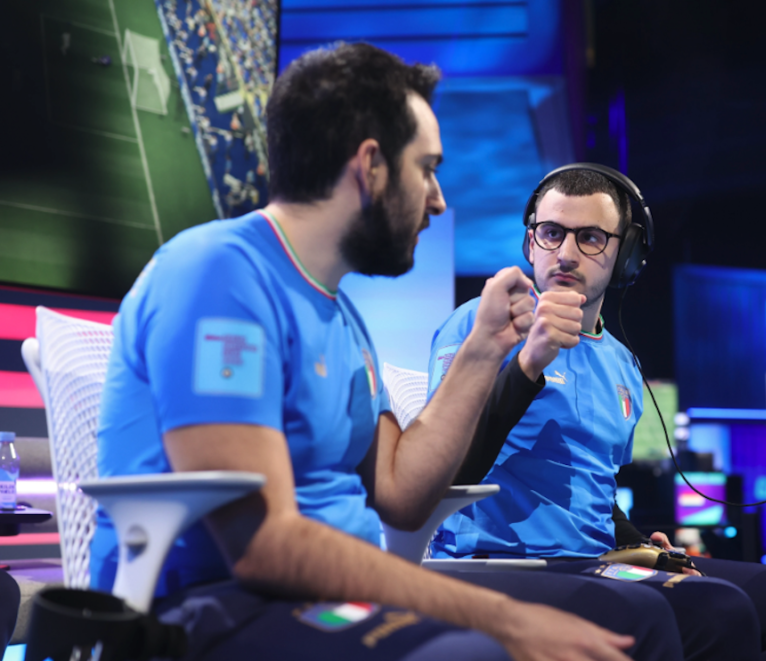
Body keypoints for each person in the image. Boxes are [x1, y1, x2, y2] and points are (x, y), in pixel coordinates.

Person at [91, 43, 683, 661]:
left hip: (319, 597)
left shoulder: (340, 315)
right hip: (215, 607)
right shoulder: (220, 275)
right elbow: (263, 546)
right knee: (488, 650)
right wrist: (503, 617)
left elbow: (403, 494)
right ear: (371, 167)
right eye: (425, 169)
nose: (438, 199)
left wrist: (485, 351)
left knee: (647, 623)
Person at [427, 165, 766, 661]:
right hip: (502, 563)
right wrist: (527, 365)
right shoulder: (484, 323)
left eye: (590, 238)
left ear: (626, 255)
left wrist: (645, 546)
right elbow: (444, 474)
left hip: (596, 560)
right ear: (530, 242)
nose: (565, 253)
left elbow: (595, 494)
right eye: (552, 233)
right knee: (720, 610)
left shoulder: (622, 363)